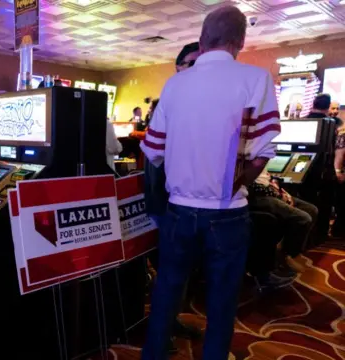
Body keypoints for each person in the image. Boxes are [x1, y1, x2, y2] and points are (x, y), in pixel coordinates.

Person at [140, 6, 280, 359]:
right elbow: (264, 151)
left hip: (178, 210)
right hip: (228, 212)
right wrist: (233, 182)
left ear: (202, 41)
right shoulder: (256, 79)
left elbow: (152, 151)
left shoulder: (175, 84)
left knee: (166, 295)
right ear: (241, 41)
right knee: (221, 303)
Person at [144, 41, 202, 355]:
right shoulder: (170, 103)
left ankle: (170, 322)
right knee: (170, 273)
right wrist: (159, 211)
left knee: (183, 274)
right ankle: (160, 332)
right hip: (169, 206)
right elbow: (154, 161)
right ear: (178, 66)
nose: (197, 70)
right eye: (190, 63)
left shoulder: (201, 104)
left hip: (193, 206)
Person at [248, 169, 318, 275]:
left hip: (269, 190)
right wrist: (279, 196)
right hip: (257, 196)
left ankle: (293, 251)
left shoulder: (261, 158)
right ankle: (286, 255)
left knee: (311, 209)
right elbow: (252, 186)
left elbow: (267, 179)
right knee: (303, 218)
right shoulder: (246, 158)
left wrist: (280, 191)